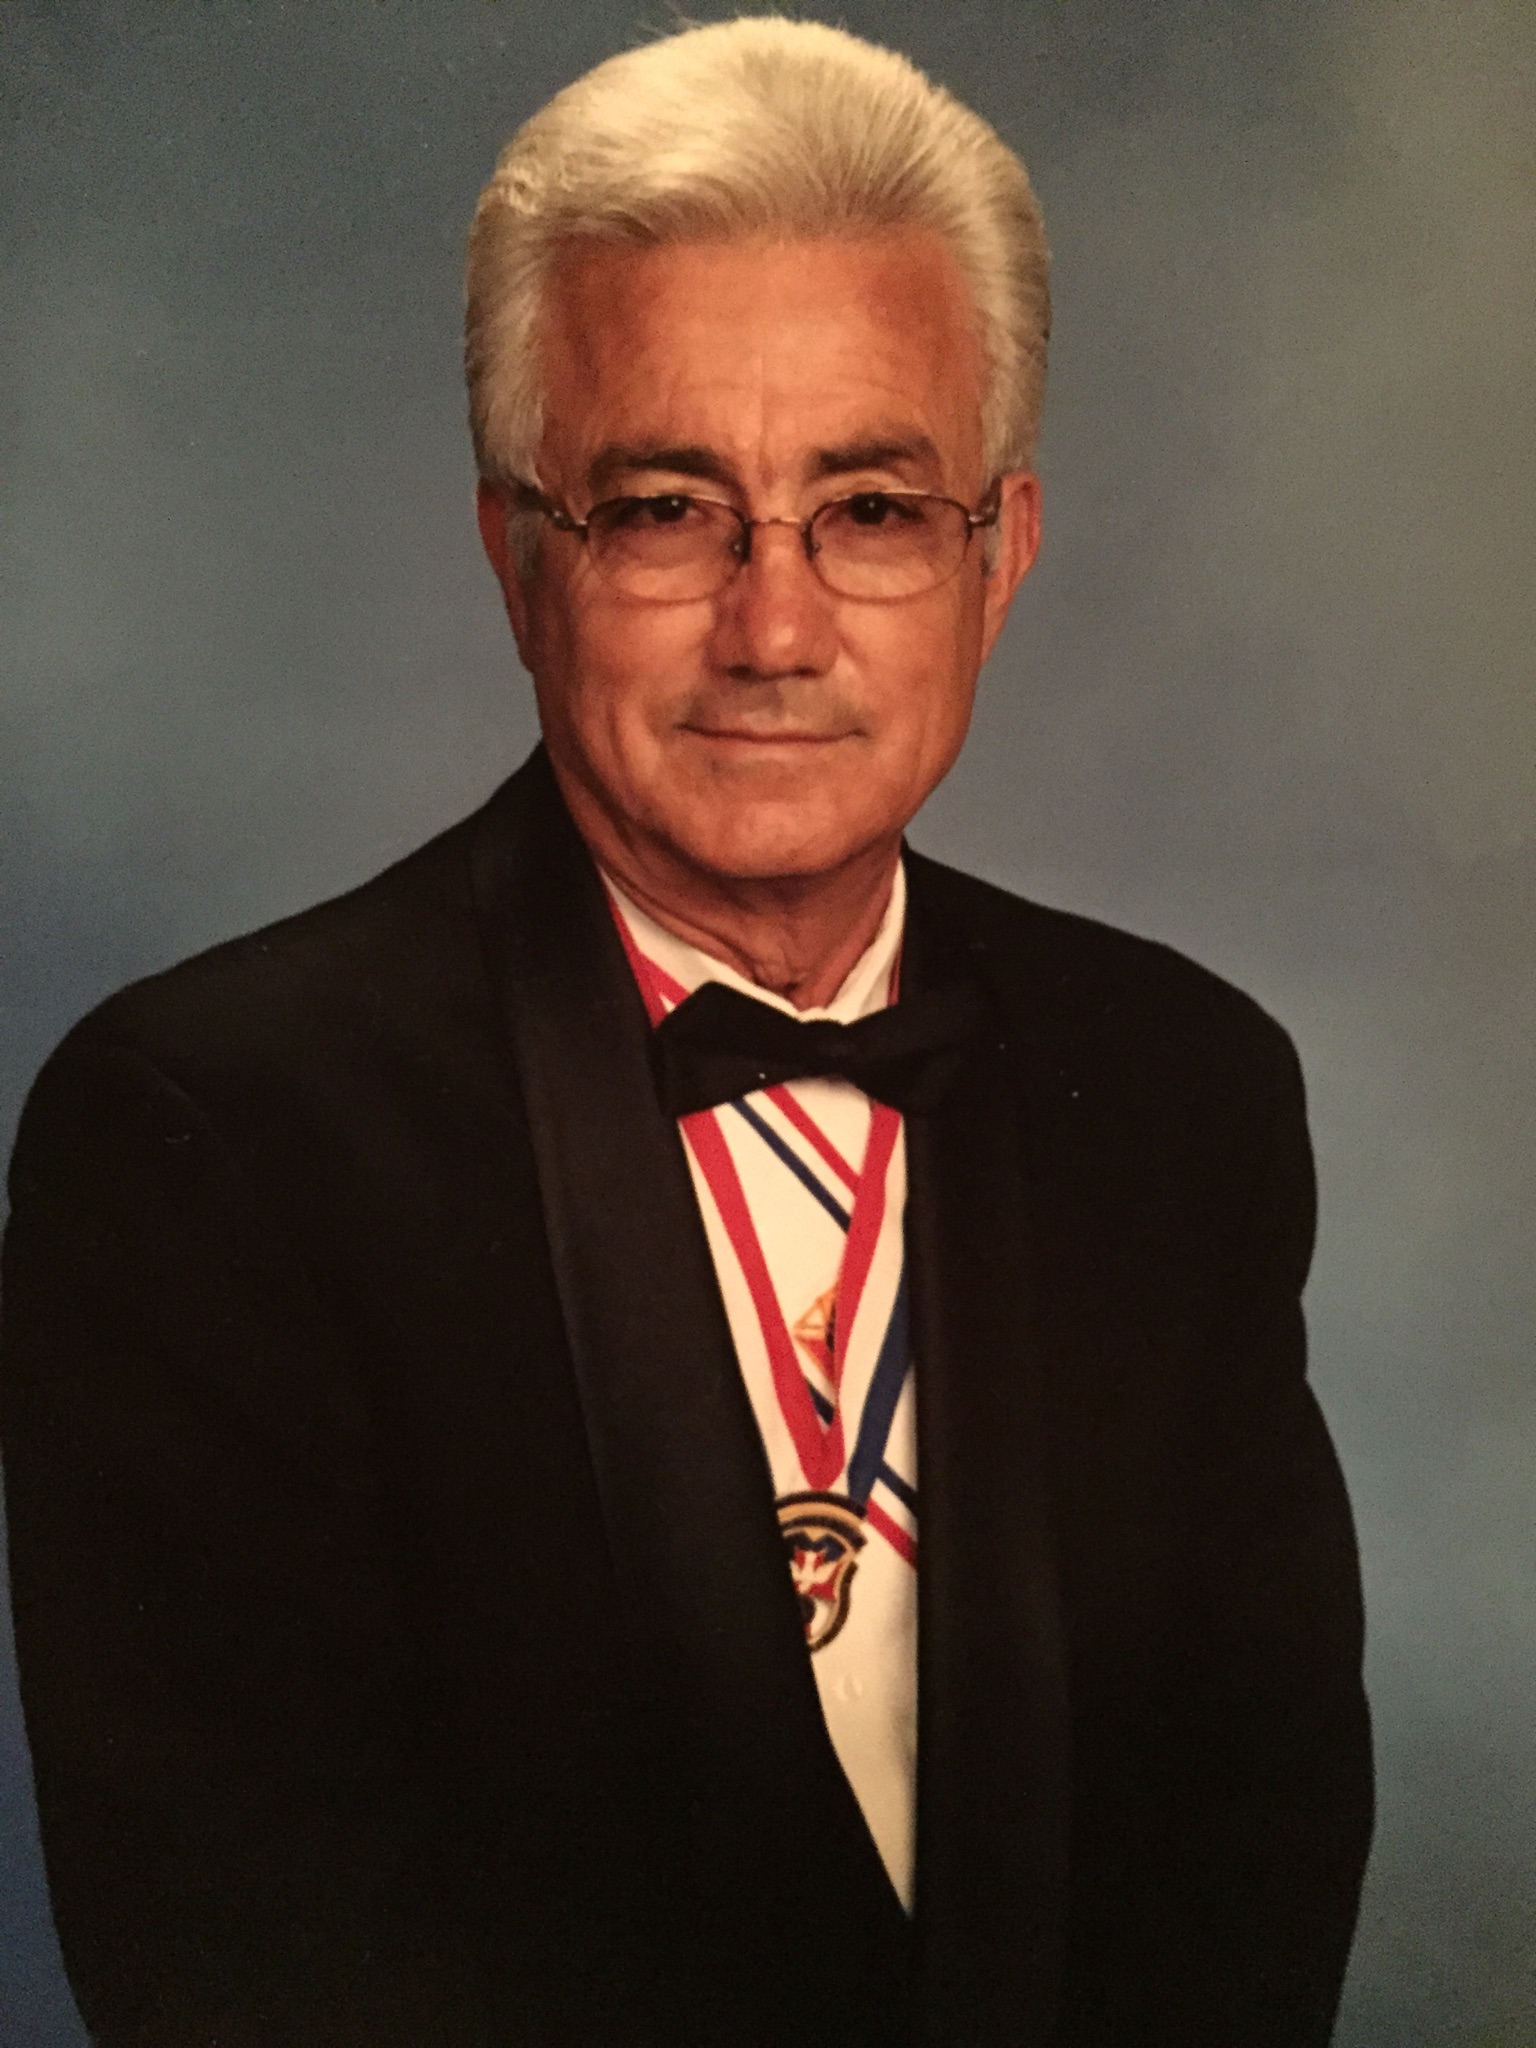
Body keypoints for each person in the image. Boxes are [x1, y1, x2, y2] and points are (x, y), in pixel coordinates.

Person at [0, 19, 1372, 2046]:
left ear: (1000, 556)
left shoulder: (1186, 1088)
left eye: (872, 508)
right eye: (663, 508)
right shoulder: (207, 1139)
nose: (775, 628)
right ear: (515, 559)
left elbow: (1253, 1869)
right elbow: (250, 1962)